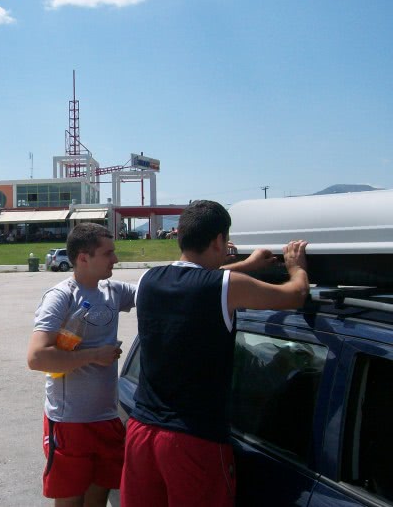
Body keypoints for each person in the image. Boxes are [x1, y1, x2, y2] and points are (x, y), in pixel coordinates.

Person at [120, 200, 309, 507]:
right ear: (219, 240)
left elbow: (199, 279)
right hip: (192, 440)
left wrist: (247, 265)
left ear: (180, 235)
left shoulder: (149, 280)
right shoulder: (224, 286)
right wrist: (296, 267)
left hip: (141, 432)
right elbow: (295, 295)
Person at [27, 222, 137, 507]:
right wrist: (94, 355)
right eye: (108, 253)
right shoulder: (61, 296)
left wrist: (231, 269)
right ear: (83, 258)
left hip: (107, 418)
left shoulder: (114, 291)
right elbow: (37, 357)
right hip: (70, 422)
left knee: (97, 501)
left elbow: (165, 288)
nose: (115, 259)